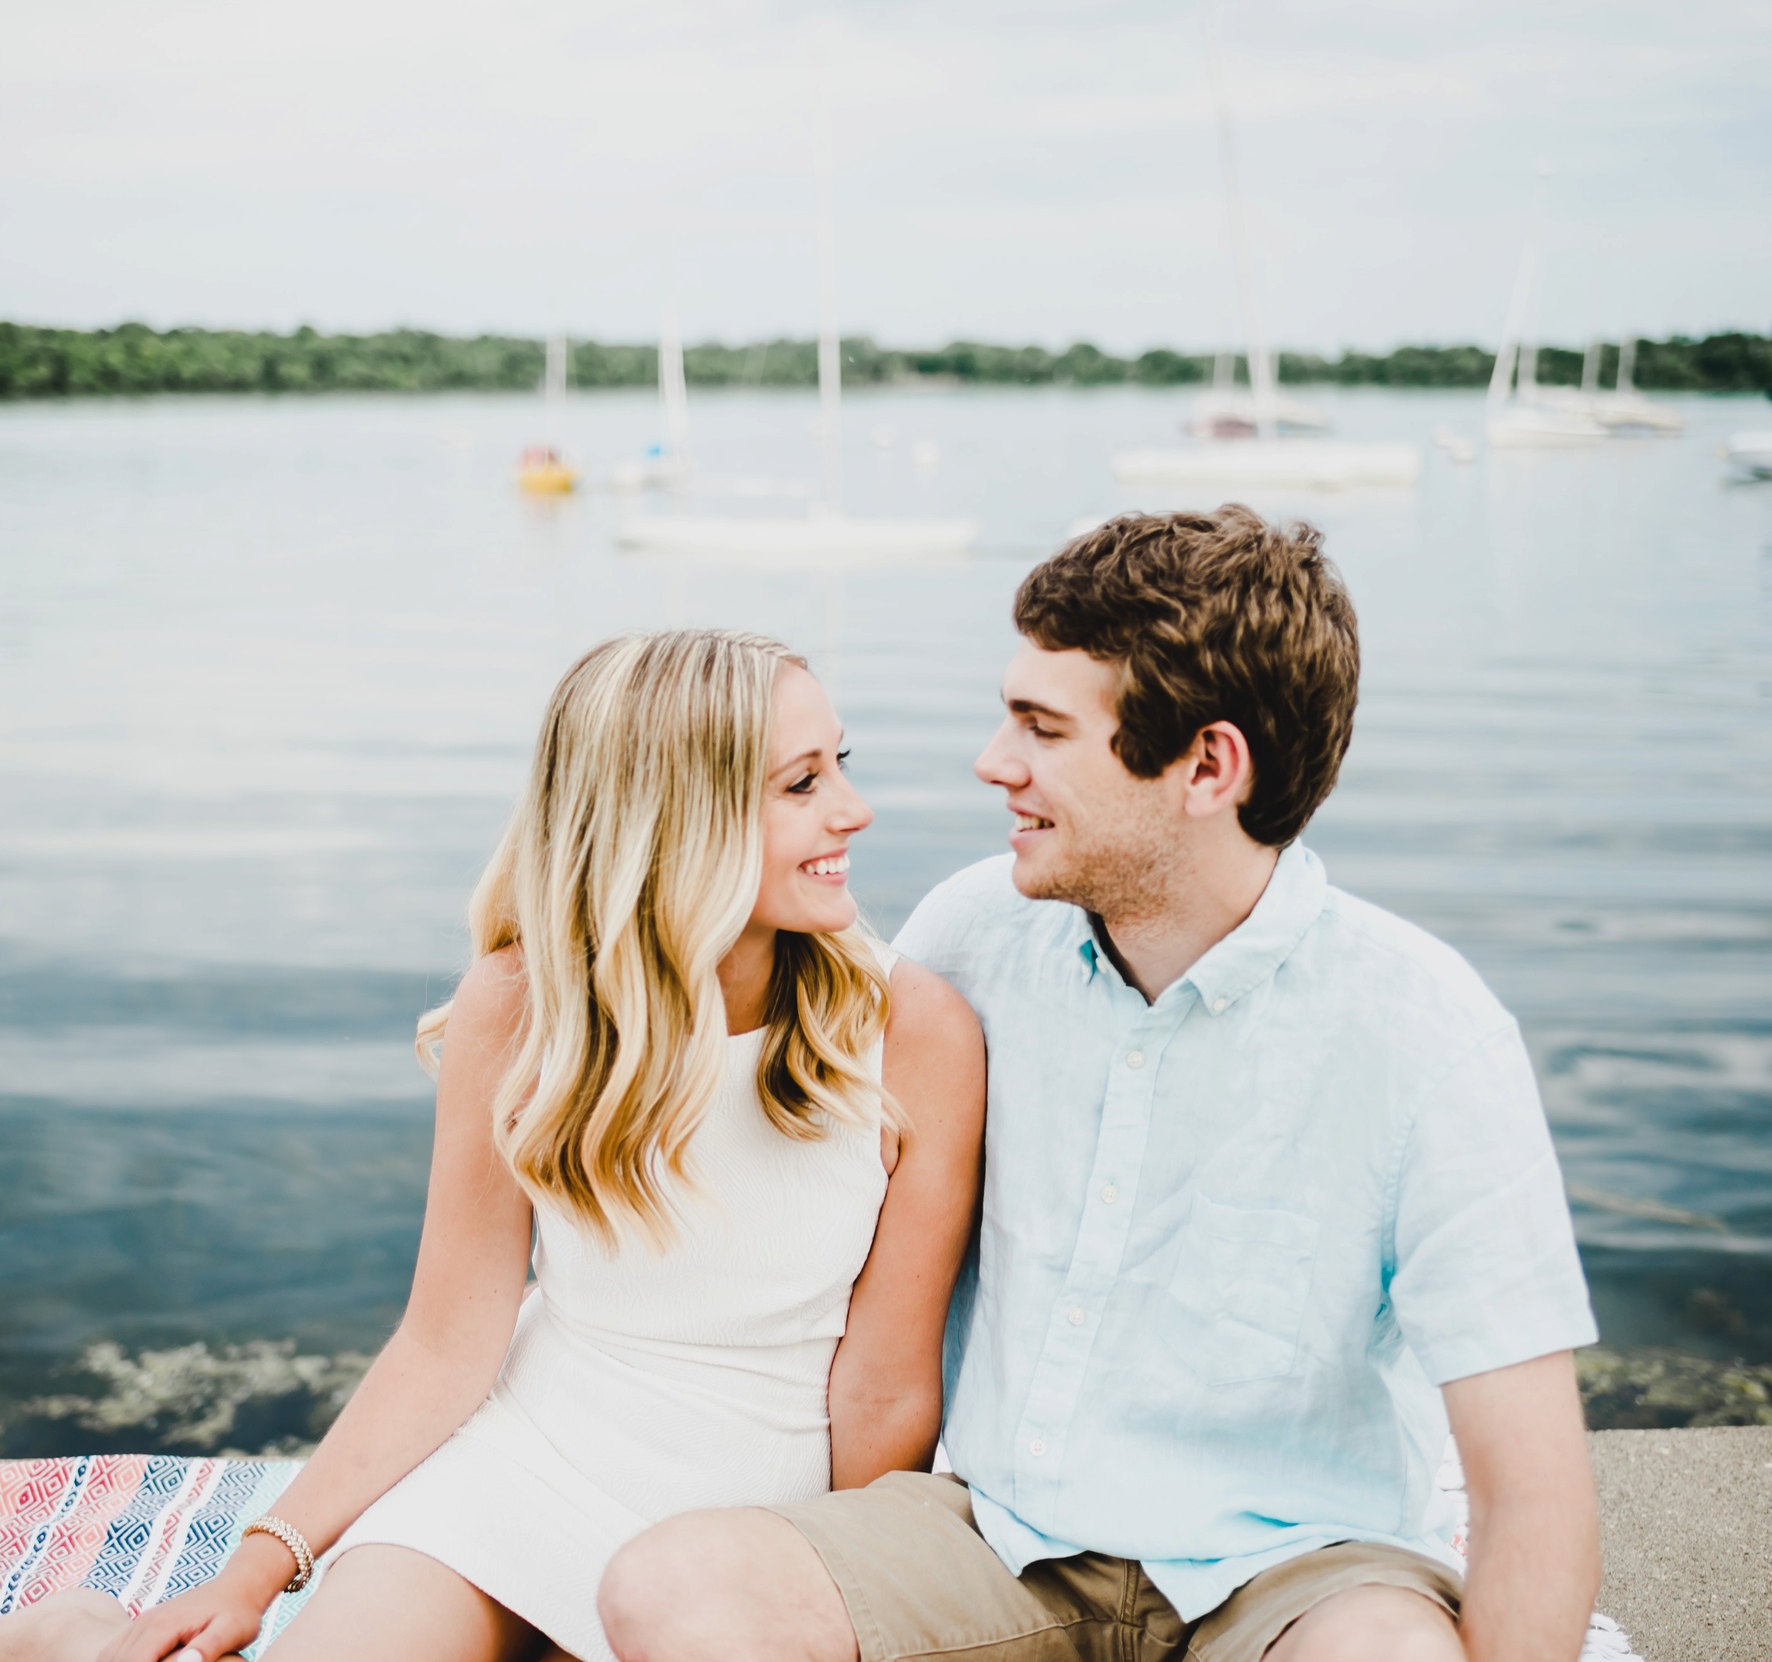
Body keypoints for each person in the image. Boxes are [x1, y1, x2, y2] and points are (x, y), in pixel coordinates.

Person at [600, 510, 1604, 1662]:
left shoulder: (1428, 1032)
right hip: (990, 1541)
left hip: (1298, 1572)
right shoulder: (967, 937)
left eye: (1042, 727)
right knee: (675, 1590)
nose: (994, 760)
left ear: (1206, 766)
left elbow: (1531, 1490)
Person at [0, 629, 984, 1662]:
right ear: (675, 814)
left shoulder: (912, 1029)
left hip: (741, 1516)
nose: (855, 808)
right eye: (801, 784)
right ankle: (77, 1634)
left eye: (838, 764)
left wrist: (816, 1586)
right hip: (521, 1463)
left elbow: (884, 1390)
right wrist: (254, 1568)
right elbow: (444, 1339)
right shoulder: (523, 1004)